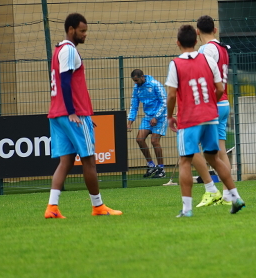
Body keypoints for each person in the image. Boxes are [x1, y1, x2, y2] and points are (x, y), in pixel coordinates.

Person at [44, 13, 122, 218]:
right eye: (82, 30)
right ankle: (98, 206)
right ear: (71, 30)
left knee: (66, 162)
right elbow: (66, 82)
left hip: (57, 113)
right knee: (89, 160)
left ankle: (52, 207)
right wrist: (73, 112)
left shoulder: (59, 49)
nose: (85, 34)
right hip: (73, 113)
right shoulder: (69, 50)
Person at [166, 25, 245, 217]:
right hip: (211, 115)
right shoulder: (209, 60)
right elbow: (219, 88)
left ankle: (186, 210)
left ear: (178, 43)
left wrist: (170, 116)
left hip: (190, 118)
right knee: (214, 158)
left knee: (185, 160)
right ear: (195, 40)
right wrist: (210, 103)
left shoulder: (175, 64)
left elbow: (171, 95)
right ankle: (235, 197)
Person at [191, 15, 235, 207]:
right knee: (220, 150)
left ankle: (211, 190)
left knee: (190, 145)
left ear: (198, 31)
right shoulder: (223, 48)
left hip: (212, 103)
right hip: (223, 102)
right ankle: (229, 193)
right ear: (215, 30)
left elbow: (204, 75)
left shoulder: (207, 49)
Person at [127, 69, 168, 178]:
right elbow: (134, 105)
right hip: (147, 117)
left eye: (136, 80)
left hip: (161, 116)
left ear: (142, 77)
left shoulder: (155, 84)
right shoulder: (136, 88)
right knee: (139, 139)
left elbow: (164, 101)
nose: (135, 82)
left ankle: (161, 169)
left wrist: (156, 117)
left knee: (154, 141)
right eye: (133, 81)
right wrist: (130, 122)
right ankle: (151, 165)